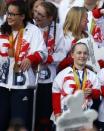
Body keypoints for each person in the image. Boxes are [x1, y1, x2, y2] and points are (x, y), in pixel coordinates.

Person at [0, 1, 47, 131]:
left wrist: (31, 58)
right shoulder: (2, 30)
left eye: (13, 14)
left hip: (22, 85)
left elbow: (43, 53)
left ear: (22, 16)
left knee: (19, 124)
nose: (9, 17)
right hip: (2, 84)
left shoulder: (33, 31)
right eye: (8, 13)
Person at [33, 1, 66, 130]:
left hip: (49, 77)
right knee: (32, 110)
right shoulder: (30, 27)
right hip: (31, 75)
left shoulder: (57, 29)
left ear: (50, 17)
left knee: (45, 111)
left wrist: (49, 58)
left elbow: (62, 52)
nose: (36, 16)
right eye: (36, 12)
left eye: (41, 15)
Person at [52, 42, 100, 120]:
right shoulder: (62, 74)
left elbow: (98, 94)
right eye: (79, 53)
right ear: (72, 55)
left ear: (88, 56)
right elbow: (56, 94)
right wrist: (57, 114)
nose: (82, 56)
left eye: (85, 53)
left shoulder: (93, 75)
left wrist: (92, 92)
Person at [58, 6, 104, 72]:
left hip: (88, 74)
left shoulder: (87, 35)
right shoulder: (65, 37)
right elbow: (60, 62)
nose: (88, 21)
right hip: (71, 74)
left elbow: (93, 55)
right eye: (85, 19)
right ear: (77, 20)